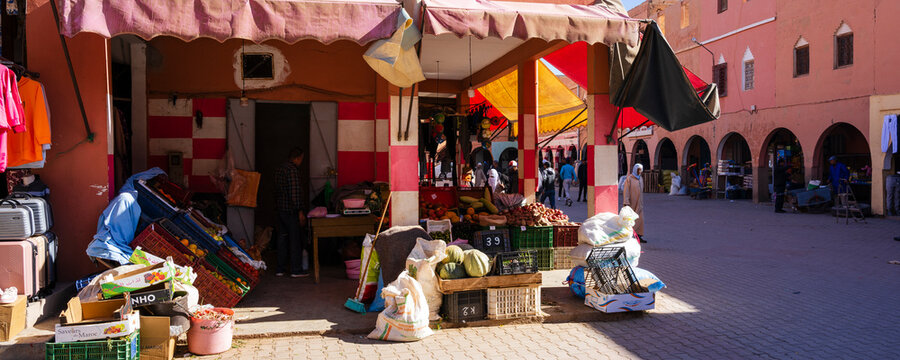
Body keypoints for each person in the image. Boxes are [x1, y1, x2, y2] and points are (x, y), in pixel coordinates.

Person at [275, 147, 309, 277]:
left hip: (281, 209)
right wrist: (300, 211)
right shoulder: (292, 170)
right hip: (291, 211)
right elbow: (294, 193)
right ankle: (296, 269)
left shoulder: (280, 169)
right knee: (295, 240)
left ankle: (280, 269)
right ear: (298, 158)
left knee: (282, 238)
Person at [623, 164, 647, 243]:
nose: (639, 172)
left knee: (640, 220)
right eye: (638, 170)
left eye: (641, 170)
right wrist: (626, 202)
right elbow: (626, 191)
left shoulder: (640, 179)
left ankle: (639, 236)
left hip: (639, 204)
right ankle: (629, 236)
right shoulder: (629, 179)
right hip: (632, 203)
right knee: (631, 220)